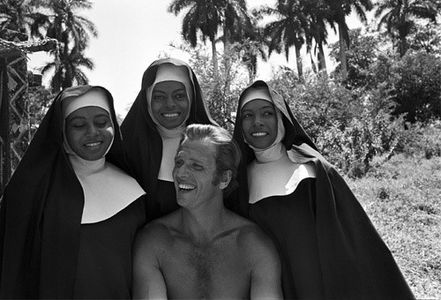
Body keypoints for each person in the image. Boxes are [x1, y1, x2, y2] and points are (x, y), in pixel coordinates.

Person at [229, 80, 415, 300]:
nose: (257, 122)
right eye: (247, 116)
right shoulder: (236, 183)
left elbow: (352, 242)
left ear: (282, 119)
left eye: (267, 113)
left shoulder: (313, 171)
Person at [0, 85, 150, 299]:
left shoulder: (133, 189)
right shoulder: (32, 191)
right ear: (62, 131)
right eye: (78, 125)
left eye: (101, 122)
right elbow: (12, 268)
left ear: (114, 127)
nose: (92, 132)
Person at [132, 124, 283, 299]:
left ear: (224, 179)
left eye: (196, 166)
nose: (180, 173)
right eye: (179, 162)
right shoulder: (154, 241)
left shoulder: (254, 246)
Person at [119, 58, 216, 220]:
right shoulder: (127, 149)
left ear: (191, 98)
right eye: (159, 97)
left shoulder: (215, 145)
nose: (170, 104)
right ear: (148, 101)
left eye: (179, 96)